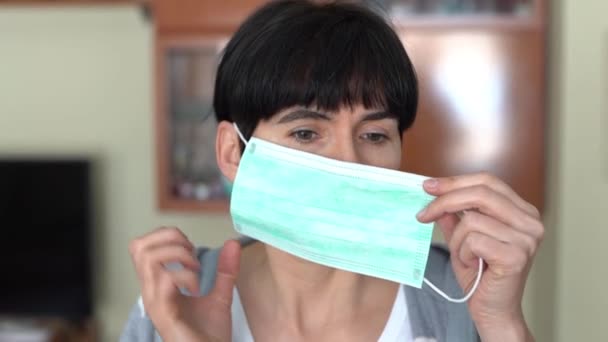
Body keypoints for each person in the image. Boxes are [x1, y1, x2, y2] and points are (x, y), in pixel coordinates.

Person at [121, 1, 544, 341]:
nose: (350, 162)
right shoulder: (175, 302)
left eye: (374, 135)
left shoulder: (459, 296)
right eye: (306, 132)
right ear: (233, 152)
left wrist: (502, 326)